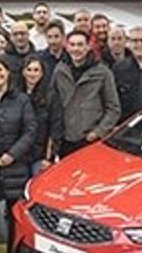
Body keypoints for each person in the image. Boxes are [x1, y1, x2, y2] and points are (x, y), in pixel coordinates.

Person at [0, 56, 37, 253]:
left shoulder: (22, 100)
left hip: (15, 163)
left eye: (0, 70)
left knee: (13, 212)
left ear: (8, 73)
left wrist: (12, 155)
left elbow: (30, 130)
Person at [50, 30, 121, 158]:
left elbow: (113, 108)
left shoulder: (103, 73)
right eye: (72, 45)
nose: (76, 49)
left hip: (90, 140)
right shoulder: (59, 70)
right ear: (67, 47)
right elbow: (52, 101)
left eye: (80, 44)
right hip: (65, 139)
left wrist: (98, 132)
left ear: (88, 47)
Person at [20, 55, 53, 174]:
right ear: (23, 72)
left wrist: (48, 157)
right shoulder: (16, 95)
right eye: (29, 69)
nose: (32, 74)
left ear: (42, 73)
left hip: (40, 156)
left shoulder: (50, 96)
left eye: (36, 70)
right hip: (19, 154)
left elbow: (54, 128)